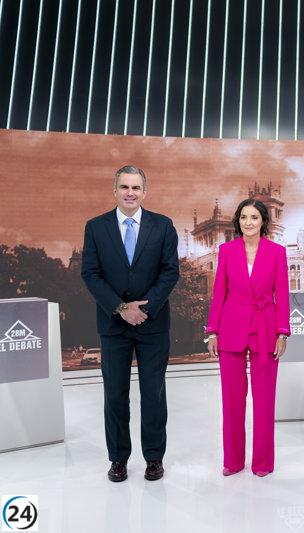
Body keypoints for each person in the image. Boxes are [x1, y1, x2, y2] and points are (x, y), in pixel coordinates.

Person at [81, 165, 179, 483]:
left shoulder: (163, 226)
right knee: (115, 395)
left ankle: (153, 458)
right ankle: (118, 459)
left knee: (153, 394)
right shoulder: (95, 227)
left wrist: (143, 308)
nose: (130, 193)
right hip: (113, 325)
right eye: (124, 187)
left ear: (144, 192)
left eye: (136, 187)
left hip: (152, 324)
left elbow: (169, 272)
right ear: (115, 190)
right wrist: (122, 308)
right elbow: (90, 274)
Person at [205, 199, 290, 477]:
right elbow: (219, 293)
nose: (248, 222)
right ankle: (233, 460)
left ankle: (263, 462)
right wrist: (213, 330)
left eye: (254, 217)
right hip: (231, 327)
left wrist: (282, 332)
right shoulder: (227, 251)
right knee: (232, 398)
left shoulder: (277, 252)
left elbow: (283, 294)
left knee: (264, 399)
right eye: (243, 217)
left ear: (263, 221)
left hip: (266, 326)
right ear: (238, 221)